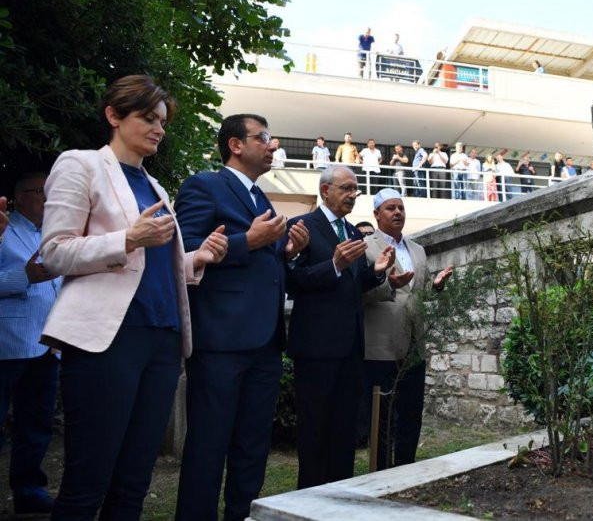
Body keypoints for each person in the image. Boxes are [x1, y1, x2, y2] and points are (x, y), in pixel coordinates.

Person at [40, 75, 228, 521]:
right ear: (113, 116)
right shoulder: (80, 164)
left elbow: (152, 267)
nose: (159, 129)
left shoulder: (158, 188)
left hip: (163, 341)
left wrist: (196, 257)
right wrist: (127, 238)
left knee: (134, 482)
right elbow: (53, 254)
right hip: (107, 341)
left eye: (162, 121)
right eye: (148, 118)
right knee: (88, 483)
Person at [173, 114, 309, 521]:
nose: (273, 146)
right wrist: (246, 242)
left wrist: (286, 252)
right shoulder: (204, 186)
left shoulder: (263, 200)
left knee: (252, 445)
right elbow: (186, 249)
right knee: (208, 444)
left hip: (266, 344)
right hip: (220, 340)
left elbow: (264, 265)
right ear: (235, 144)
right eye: (264, 137)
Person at [285, 165, 403, 489]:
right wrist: (334, 265)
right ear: (326, 191)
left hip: (351, 348)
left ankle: (340, 494)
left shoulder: (352, 233)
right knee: (315, 430)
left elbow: (354, 284)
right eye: (346, 188)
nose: (352, 195)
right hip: (316, 349)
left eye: (355, 190)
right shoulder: (302, 226)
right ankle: (310, 498)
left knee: (344, 429)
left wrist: (377, 271)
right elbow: (293, 282)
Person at [362, 189, 452, 470]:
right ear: (377, 214)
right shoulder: (365, 246)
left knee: (411, 412)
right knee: (382, 415)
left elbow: (417, 292)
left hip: (415, 344)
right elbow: (359, 292)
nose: (397, 212)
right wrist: (389, 284)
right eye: (390, 208)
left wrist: (435, 287)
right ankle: (380, 472)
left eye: (400, 207)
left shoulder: (418, 249)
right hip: (380, 344)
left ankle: (407, 468)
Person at [0, 173, 62, 515]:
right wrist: (24, 276)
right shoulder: (4, 230)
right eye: (39, 191)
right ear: (18, 196)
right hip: (7, 344)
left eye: (49, 192)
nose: (46, 198)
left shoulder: (56, 234)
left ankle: (28, 490)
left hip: (48, 344)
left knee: (36, 423)